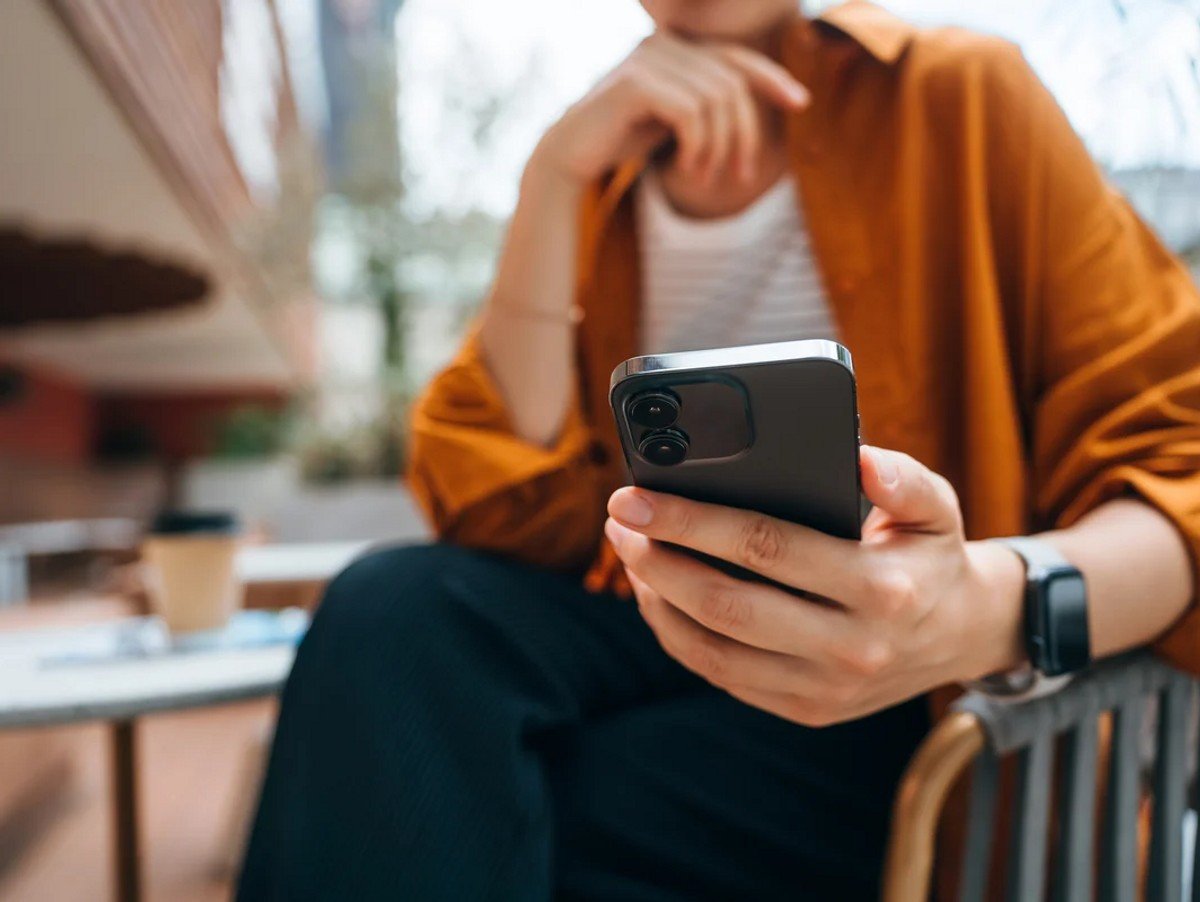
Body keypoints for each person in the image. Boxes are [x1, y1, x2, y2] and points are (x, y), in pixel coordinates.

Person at [238, 1, 1200, 899]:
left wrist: (981, 608)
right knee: (389, 607)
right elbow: (497, 515)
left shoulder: (960, 96)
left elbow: (1185, 467)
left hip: (916, 708)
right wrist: (552, 179)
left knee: (482, 796)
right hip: (664, 636)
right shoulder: (606, 172)